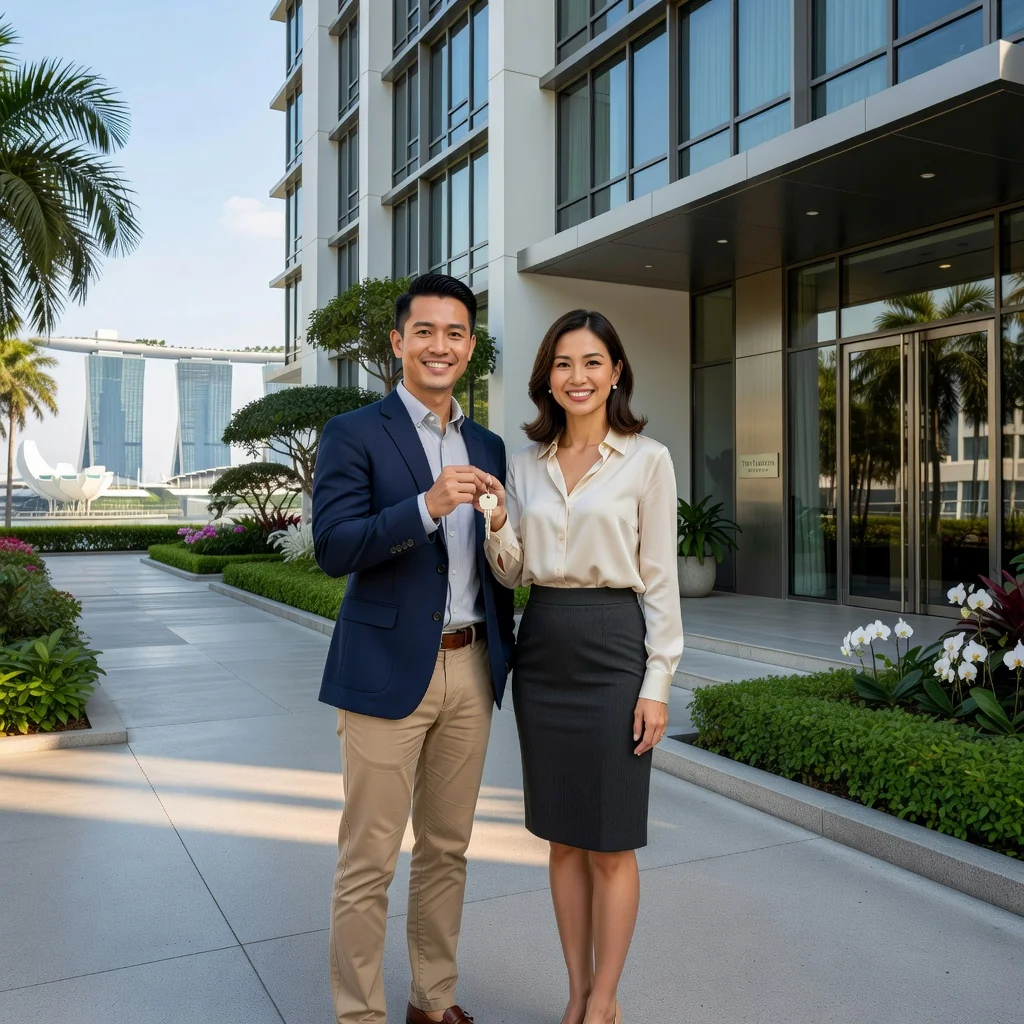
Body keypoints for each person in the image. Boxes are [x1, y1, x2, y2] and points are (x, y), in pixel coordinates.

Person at [312, 273, 515, 1024]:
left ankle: (434, 1001)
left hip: (471, 665)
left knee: (446, 851)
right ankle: (359, 1014)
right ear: (398, 343)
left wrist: (499, 533)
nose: (440, 345)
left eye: (455, 332)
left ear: (470, 347)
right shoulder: (354, 433)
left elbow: (500, 568)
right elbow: (333, 548)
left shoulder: (488, 443)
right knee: (368, 862)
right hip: (385, 673)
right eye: (424, 331)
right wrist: (425, 507)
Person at [481, 309, 684, 1024]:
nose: (579, 377)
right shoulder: (523, 465)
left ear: (616, 372)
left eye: (593, 362)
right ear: (548, 377)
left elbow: (660, 580)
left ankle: (605, 1001)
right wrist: (500, 524)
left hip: (614, 646)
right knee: (564, 837)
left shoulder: (648, 461)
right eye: (565, 364)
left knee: (611, 841)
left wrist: (657, 683)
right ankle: (575, 991)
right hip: (545, 646)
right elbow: (511, 576)